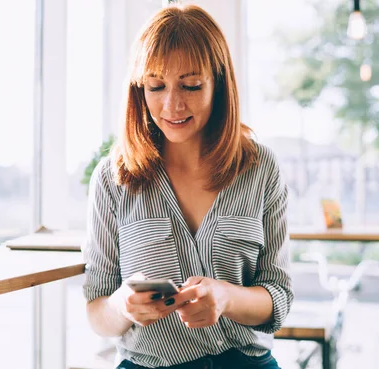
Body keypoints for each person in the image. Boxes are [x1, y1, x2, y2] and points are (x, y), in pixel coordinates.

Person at [82, 4, 293, 368]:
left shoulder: (260, 168)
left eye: (191, 85)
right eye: (156, 86)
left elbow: (279, 298)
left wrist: (226, 297)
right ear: (139, 88)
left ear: (219, 83)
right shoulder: (112, 178)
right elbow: (97, 310)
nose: (171, 104)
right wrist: (122, 306)